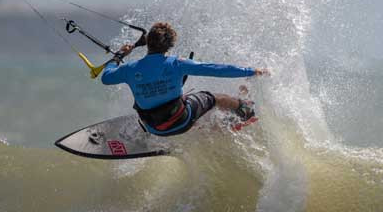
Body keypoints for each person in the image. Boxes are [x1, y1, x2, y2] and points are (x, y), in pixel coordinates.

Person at [101, 22, 268, 136]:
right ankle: (245, 110)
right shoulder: (177, 64)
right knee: (214, 98)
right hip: (182, 121)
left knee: (173, 101)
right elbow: (217, 69)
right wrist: (251, 71)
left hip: (154, 128)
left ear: (148, 43)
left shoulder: (130, 68)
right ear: (170, 46)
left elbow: (106, 78)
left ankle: (195, 127)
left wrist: (120, 55)